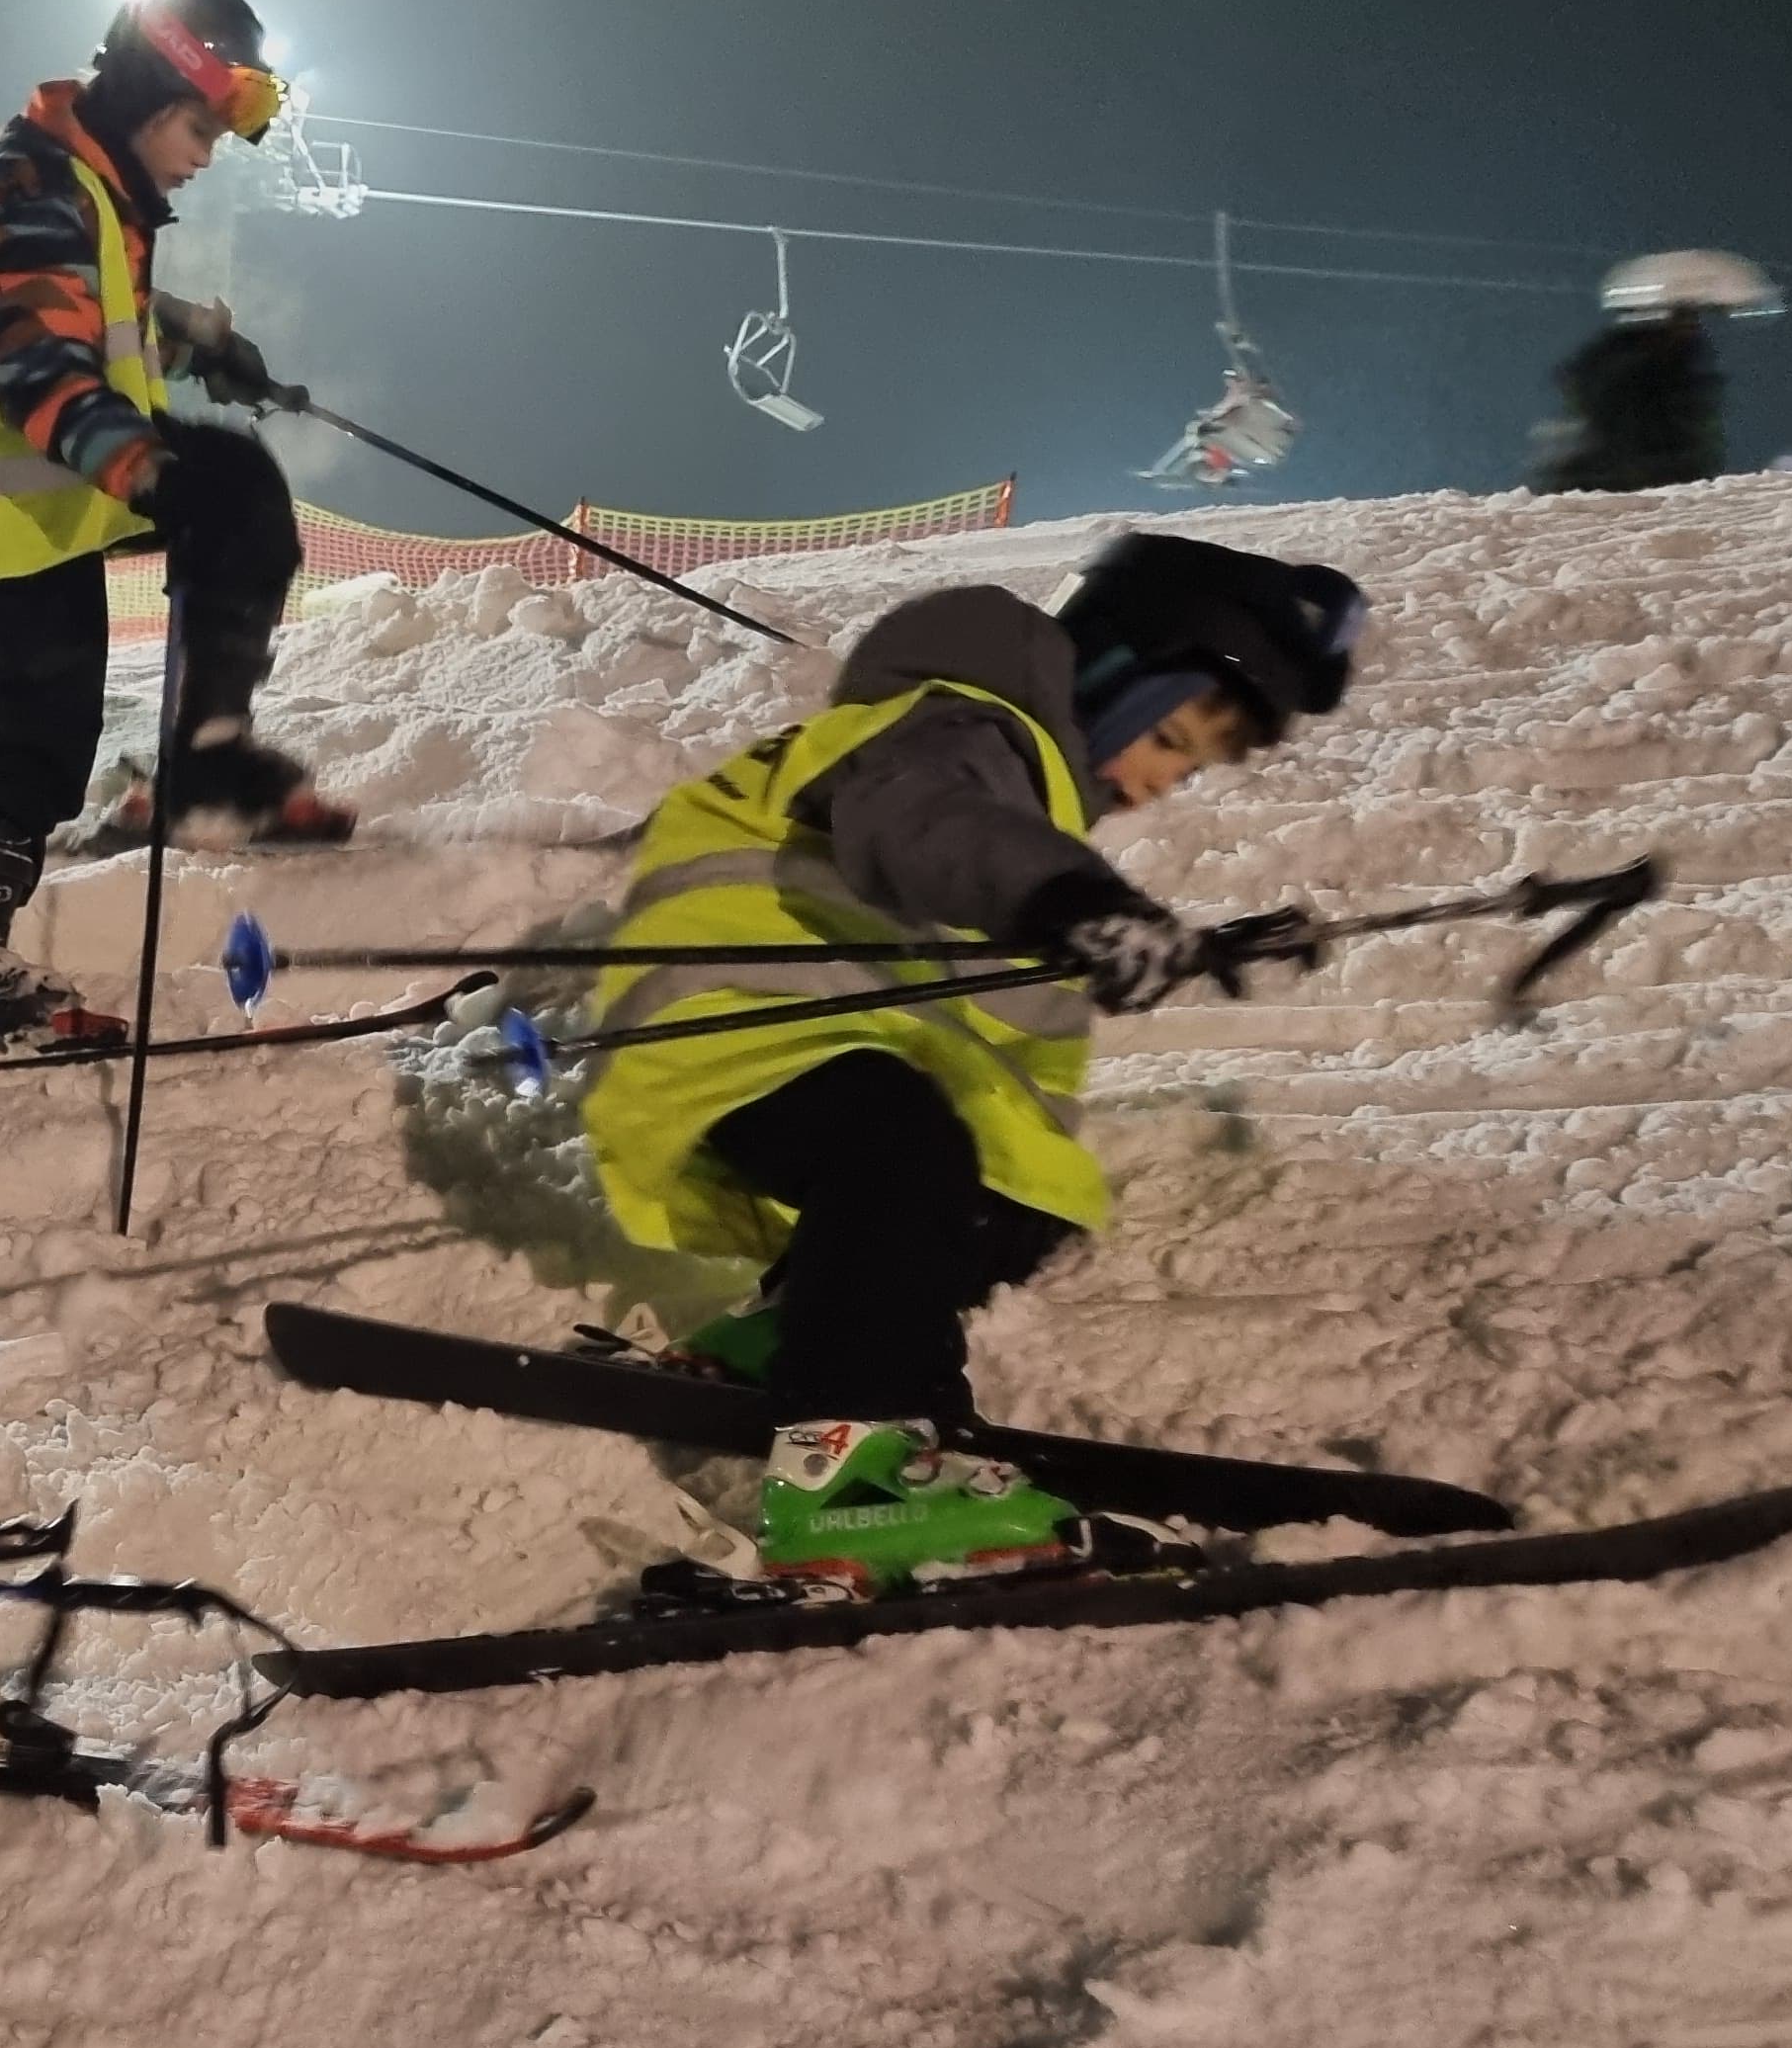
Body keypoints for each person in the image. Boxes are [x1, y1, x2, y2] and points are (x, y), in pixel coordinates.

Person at [580, 532, 1368, 1597]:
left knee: (1012, 1197)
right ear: (1110, 679)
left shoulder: (1014, 789)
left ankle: (797, 1337)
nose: (1161, 780)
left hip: (820, 1034)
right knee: (899, 1148)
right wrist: (1072, 902)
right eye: (1167, 737)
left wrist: (1172, 941)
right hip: (734, 1021)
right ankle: (850, 1483)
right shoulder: (957, 721)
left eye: (1188, 766)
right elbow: (926, 823)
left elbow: (979, 880)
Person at [0, 0, 342, 1048]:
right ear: (146, 94)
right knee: (43, 721)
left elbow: (95, 315)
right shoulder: (33, 184)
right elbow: (43, 366)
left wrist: (202, 348)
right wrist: (151, 474)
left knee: (237, 488)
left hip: (43, 478)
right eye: (199, 127)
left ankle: (208, 754)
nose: (206, 154)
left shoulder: (87, 186)